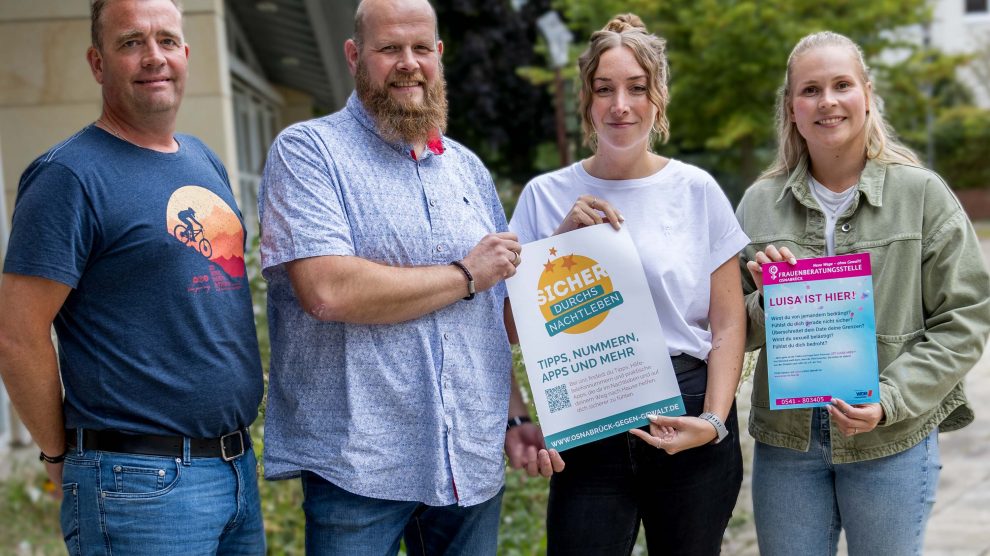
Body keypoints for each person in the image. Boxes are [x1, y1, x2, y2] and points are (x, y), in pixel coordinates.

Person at [257, 0, 558, 553]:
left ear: (439, 56)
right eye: (389, 49)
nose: (408, 63)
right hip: (359, 468)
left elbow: (488, 315)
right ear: (354, 56)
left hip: (468, 460)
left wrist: (515, 417)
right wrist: (466, 272)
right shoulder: (309, 153)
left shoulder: (466, 167)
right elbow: (327, 290)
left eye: (421, 49)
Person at [0, 0, 265, 553]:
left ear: (186, 55)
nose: (154, 58)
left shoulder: (202, 159)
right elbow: (17, 335)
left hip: (234, 469)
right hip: (138, 485)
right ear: (98, 64)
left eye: (167, 41)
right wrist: (57, 457)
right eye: (131, 43)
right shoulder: (68, 177)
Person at [736, 31, 990, 555]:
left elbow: (965, 319)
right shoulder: (759, 204)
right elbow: (729, 331)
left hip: (891, 440)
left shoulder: (922, 195)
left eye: (841, 85)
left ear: (867, 94)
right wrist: (766, 298)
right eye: (810, 90)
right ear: (791, 107)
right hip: (788, 444)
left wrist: (889, 400)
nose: (826, 102)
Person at [509, 14, 748, 555]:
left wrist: (711, 422)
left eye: (637, 88)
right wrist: (558, 246)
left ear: (658, 96)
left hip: (686, 408)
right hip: (589, 414)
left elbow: (729, 321)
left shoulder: (696, 190)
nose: (621, 104)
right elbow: (507, 327)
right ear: (587, 100)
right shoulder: (545, 197)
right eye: (605, 89)